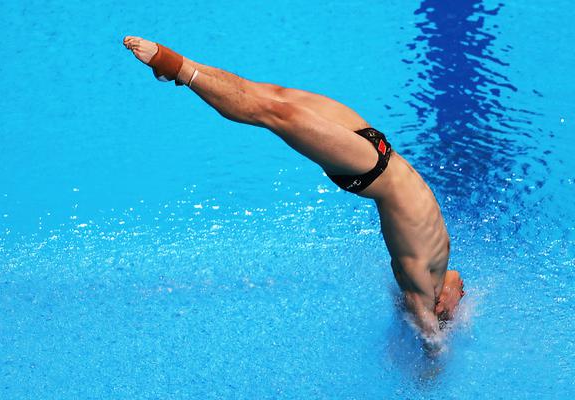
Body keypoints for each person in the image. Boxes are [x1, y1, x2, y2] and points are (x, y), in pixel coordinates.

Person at [123, 36, 465, 347]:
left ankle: (178, 69)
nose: (458, 293)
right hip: (378, 147)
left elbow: (428, 334)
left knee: (275, 113)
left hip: (369, 168)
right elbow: (456, 280)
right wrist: (452, 296)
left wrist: (434, 349)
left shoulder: (418, 287)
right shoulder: (443, 272)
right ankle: (185, 71)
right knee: (270, 93)